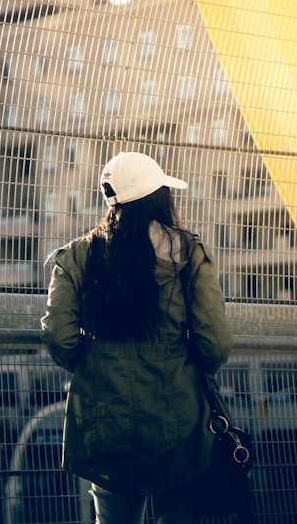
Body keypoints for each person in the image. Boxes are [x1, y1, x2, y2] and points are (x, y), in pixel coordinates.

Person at [40, 151, 233, 524]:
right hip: (178, 419)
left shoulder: (79, 256)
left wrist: (96, 363)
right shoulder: (188, 253)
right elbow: (216, 344)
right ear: (159, 197)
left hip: (105, 419)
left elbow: (59, 336)